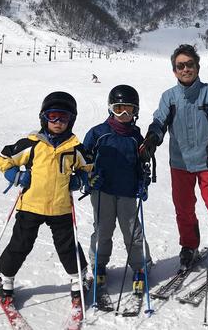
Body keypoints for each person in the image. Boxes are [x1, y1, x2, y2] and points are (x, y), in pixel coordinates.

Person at [138, 44, 208, 273]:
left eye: (189, 65)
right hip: (180, 163)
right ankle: (189, 246)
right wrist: (152, 138)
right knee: (183, 209)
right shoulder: (169, 97)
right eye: (180, 66)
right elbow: (159, 121)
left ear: (197, 67)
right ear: (174, 70)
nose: (185, 69)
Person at [0, 91, 92, 319]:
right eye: (53, 116)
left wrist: (81, 179)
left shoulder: (74, 147)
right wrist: (14, 175)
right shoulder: (32, 144)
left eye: (64, 117)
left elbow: (89, 167)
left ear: (71, 120)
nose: (58, 122)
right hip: (31, 205)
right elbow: (3, 157)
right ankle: (5, 278)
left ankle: (78, 278)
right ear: (44, 117)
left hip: (60, 208)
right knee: (20, 244)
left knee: (67, 247)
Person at [83, 84, 152, 294]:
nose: (123, 114)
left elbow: (142, 164)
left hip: (127, 191)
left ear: (135, 112)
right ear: (110, 108)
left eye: (128, 110)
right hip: (102, 191)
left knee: (132, 230)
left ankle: (140, 265)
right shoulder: (97, 133)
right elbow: (83, 161)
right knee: (103, 229)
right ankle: (99, 264)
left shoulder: (136, 137)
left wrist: (143, 181)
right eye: (118, 108)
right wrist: (89, 178)